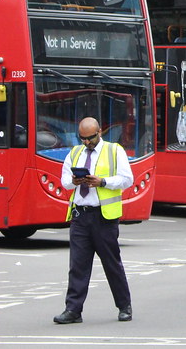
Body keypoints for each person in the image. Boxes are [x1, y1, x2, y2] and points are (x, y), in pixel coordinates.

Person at [53, 117, 134, 324]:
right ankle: (73, 310)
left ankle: (124, 306)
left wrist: (102, 181)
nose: (86, 142)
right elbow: (63, 181)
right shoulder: (75, 153)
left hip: (104, 217)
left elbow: (127, 179)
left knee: (111, 263)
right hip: (80, 215)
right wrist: (73, 181)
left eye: (90, 138)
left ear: (100, 132)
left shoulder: (115, 151)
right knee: (78, 265)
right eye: (83, 138)